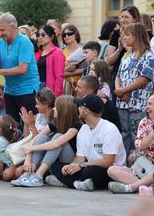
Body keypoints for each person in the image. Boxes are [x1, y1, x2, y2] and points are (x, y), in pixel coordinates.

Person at [50, 94, 126, 191]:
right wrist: (71, 166)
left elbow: (108, 161)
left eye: (80, 106)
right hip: (89, 166)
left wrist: (81, 165)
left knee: (90, 172)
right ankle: (79, 183)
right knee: (56, 166)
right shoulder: (84, 129)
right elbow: (80, 157)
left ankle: (70, 182)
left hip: (110, 171)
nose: (78, 108)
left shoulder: (109, 129)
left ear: (86, 111)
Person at [11, 95, 82, 187]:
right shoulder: (55, 122)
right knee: (42, 138)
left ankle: (39, 175)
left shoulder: (76, 125)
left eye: (56, 107)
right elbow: (36, 138)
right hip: (55, 159)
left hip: (70, 162)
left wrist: (32, 148)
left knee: (58, 136)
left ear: (63, 110)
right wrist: (28, 159)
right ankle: (29, 173)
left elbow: (56, 144)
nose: (54, 108)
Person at [0, 13, 40, 123]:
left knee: (29, 126)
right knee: (11, 127)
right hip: (9, 91)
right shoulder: (1, 42)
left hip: (26, 91)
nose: (0, 34)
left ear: (13, 27)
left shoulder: (24, 42)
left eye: (2, 30)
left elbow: (22, 69)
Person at [115, 22, 154, 158]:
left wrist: (123, 90)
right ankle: (125, 164)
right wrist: (119, 90)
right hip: (122, 102)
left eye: (127, 35)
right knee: (125, 134)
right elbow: (118, 75)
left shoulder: (148, 56)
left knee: (137, 135)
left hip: (138, 103)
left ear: (137, 36)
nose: (124, 37)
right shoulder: (126, 55)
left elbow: (145, 78)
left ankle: (138, 168)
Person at [107, 94, 154, 194]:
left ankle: (132, 187)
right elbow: (140, 146)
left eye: (150, 104)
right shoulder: (144, 122)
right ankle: (146, 188)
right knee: (111, 170)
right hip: (143, 168)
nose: (146, 107)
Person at [35, 25, 65, 96]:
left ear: (51, 36)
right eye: (38, 35)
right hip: (37, 87)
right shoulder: (37, 53)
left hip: (49, 89)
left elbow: (59, 76)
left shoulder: (57, 52)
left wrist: (56, 94)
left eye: (43, 35)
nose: (40, 37)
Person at [62, 24, 85, 96]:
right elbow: (58, 72)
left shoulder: (83, 50)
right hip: (66, 86)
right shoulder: (61, 52)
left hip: (81, 85)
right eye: (64, 35)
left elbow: (86, 68)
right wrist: (69, 69)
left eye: (69, 34)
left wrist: (69, 71)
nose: (66, 36)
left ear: (76, 34)